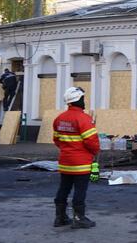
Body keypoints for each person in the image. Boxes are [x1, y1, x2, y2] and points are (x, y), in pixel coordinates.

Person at [52, 86, 100, 229]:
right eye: (83, 98)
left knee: (64, 188)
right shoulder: (84, 119)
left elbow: (57, 140)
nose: (84, 101)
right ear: (78, 100)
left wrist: (67, 149)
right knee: (80, 190)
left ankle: (60, 217)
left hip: (65, 161)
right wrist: (94, 152)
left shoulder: (59, 119)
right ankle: (79, 218)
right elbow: (92, 142)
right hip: (81, 163)